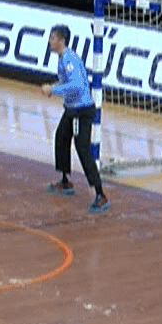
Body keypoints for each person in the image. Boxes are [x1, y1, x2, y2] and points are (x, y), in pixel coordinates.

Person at [41, 23, 110, 213]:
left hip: (81, 111)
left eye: (53, 38)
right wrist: (55, 87)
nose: (50, 41)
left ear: (61, 41)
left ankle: (100, 194)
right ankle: (65, 181)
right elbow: (68, 83)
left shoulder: (69, 59)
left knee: (82, 148)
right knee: (61, 137)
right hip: (71, 109)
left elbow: (78, 85)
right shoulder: (63, 58)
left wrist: (53, 89)